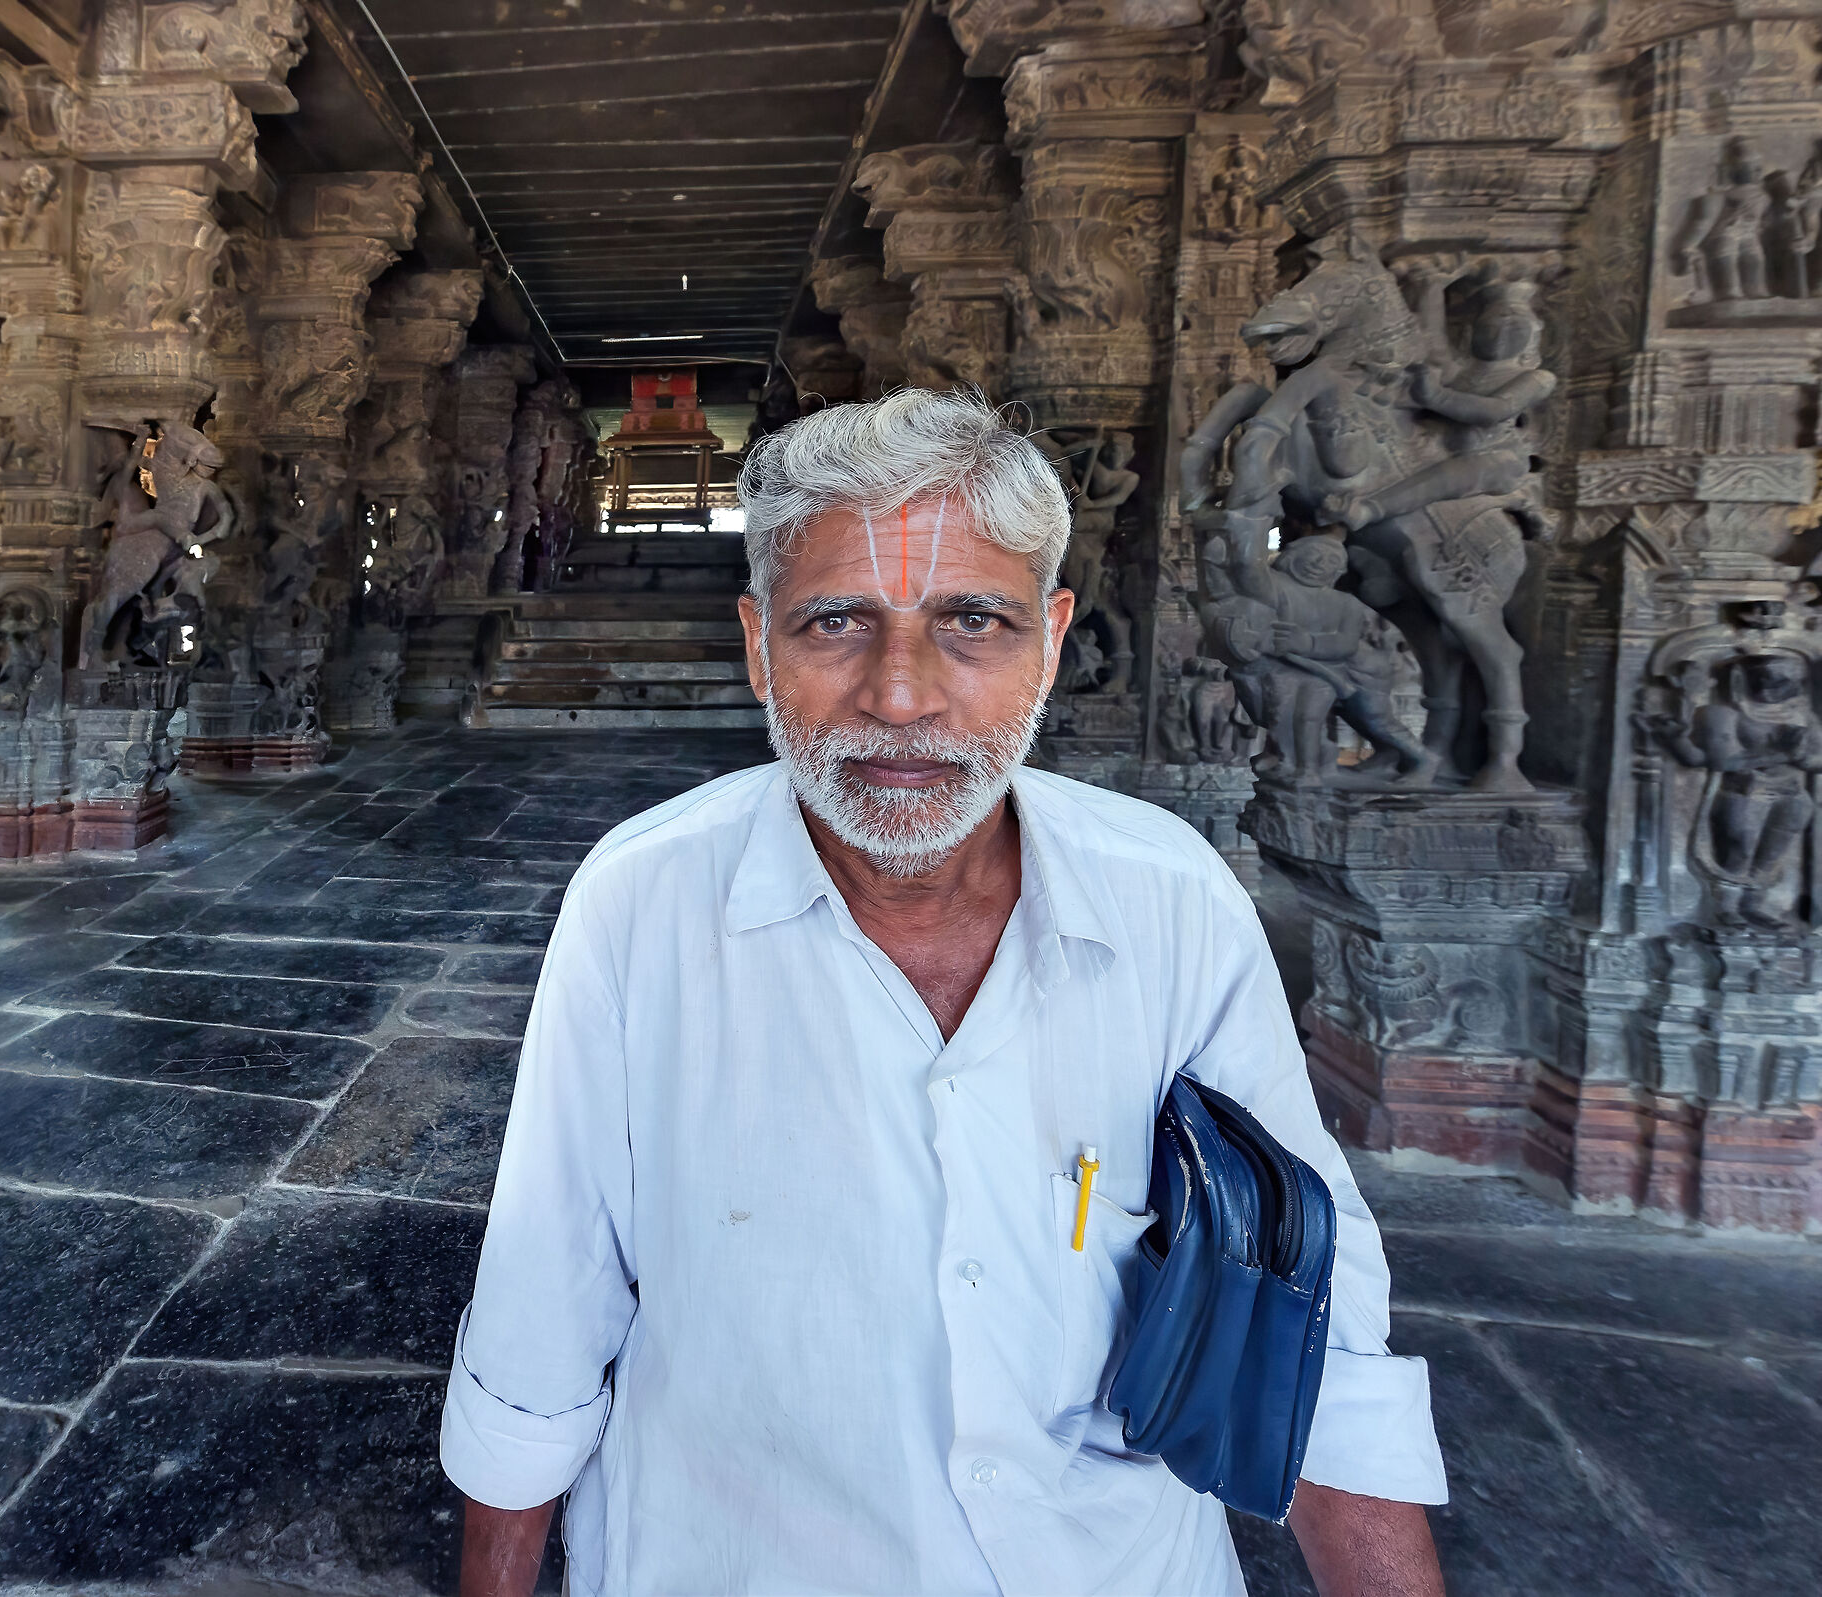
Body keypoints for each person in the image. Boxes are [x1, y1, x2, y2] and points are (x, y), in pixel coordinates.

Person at [442, 389, 1446, 1597]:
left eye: (972, 619)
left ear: (1053, 638)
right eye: (836, 623)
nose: (902, 695)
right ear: (760, 645)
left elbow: (1310, 1304)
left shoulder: (1169, 900)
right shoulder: (641, 906)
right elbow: (543, 1312)